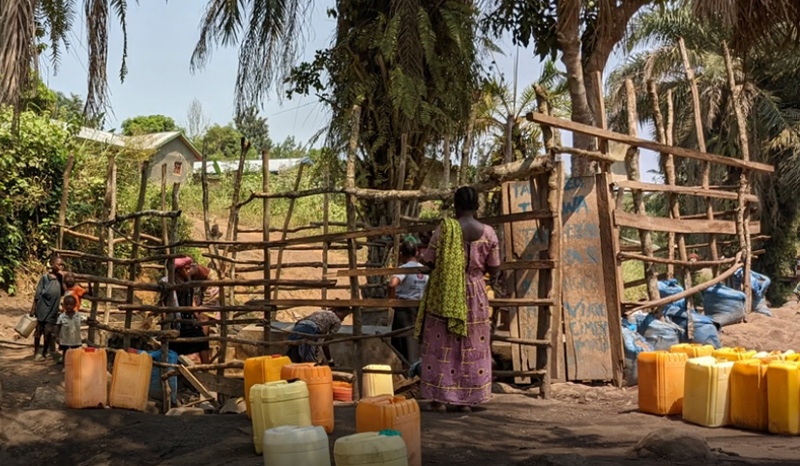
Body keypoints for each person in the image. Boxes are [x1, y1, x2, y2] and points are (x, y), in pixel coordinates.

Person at [415, 186, 500, 413]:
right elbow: (495, 267)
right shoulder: (489, 233)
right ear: (477, 206)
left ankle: (439, 397)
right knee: (473, 344)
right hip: (476, 292)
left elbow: (429, 260)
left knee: (442, 343)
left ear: (456, 205)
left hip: (446, 292)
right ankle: (467, 400)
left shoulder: (445, 230)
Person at [160, 256, 211, 364]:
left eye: (189, 268)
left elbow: (191, 299)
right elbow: (163, 303)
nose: (188, 271)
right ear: (178, 270)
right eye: (185, 269)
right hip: (177, 322)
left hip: (188, 320)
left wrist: (197, 316)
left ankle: (206, 369)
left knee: (202, 340)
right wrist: (166, 322)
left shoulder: (187, 282)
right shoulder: (172, 284)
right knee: (175, 347)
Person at [388, 240, 429, 364]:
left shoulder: (404, 268)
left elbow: (392, 284)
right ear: (416, 253)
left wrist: (391, 301)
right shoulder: (425, 270)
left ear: (401, 254)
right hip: (420, 309)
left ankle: (408, 371)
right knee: (417, 342)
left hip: (404, 310)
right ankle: (416, 370)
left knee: (402, 343)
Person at [287, 307, 351, 364]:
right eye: (344, 315)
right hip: (311, 330)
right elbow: (325, 344)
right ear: (337, 311)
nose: (343, 319)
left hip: (298, 328)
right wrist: (330, 360)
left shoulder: (321, 311)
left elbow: (299, 321)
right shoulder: (337, 321)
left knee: (293, 355)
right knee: (310, 360)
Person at [30, 255, 64, 361]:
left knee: (48, 332)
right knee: (39, 331)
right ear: (52, 264)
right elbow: (38, 293)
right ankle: (36, 353)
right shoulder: (45, 277)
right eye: (58, 264)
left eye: (62, 265)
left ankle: (45, 351)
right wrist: (33, 308)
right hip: (42, 307)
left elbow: (63, 291)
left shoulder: (60, 279)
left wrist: (62, 277)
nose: (61, 267)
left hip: (53, 309)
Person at [56, 295, 83, 363]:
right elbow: (58, 326)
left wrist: (93, 321)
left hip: (75, 339)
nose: (69, 306)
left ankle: (75, 366)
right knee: (65, 353)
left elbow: (87, 319)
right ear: (64, 305)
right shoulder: (62, 317)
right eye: (67, 304)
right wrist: (57, 336)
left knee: (75, 353)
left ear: (75, 305)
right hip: (65, 339)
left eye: (71, 304)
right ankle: (65, 366)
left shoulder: (78, 316)